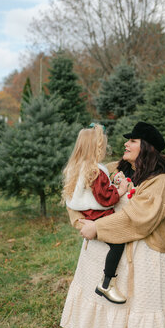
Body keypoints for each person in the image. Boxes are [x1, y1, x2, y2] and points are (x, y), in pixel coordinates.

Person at [61, 122, 165, 328]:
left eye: (132, 141)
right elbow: (76, 190)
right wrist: (80, 222)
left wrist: (96, 228)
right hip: (103, 252)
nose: (126, 144)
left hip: (143, 255)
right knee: (103, 306)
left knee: (135, 307)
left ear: (146, 147)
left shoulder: (161, 180)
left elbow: (138, 219)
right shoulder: (115, 168)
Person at [62, 123, 132, 305]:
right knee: (118, 242)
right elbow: (105, 198)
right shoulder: (95, 171)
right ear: (97, 147)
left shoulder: (76, 166)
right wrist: (121, 190)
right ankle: (107, 282)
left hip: (87, 214)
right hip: (98, 217)